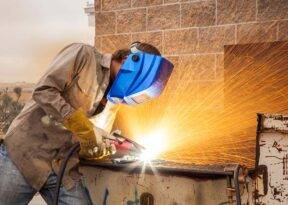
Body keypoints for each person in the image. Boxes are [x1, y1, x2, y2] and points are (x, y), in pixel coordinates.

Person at [0, 42, 173, 205]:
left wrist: (97, 146)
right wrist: (83, 127)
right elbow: (44, 92)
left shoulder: (109, 97)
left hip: (61, 167)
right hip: (24, 156)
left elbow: (83, 135)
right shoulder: (83, 56)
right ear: (128, 60)